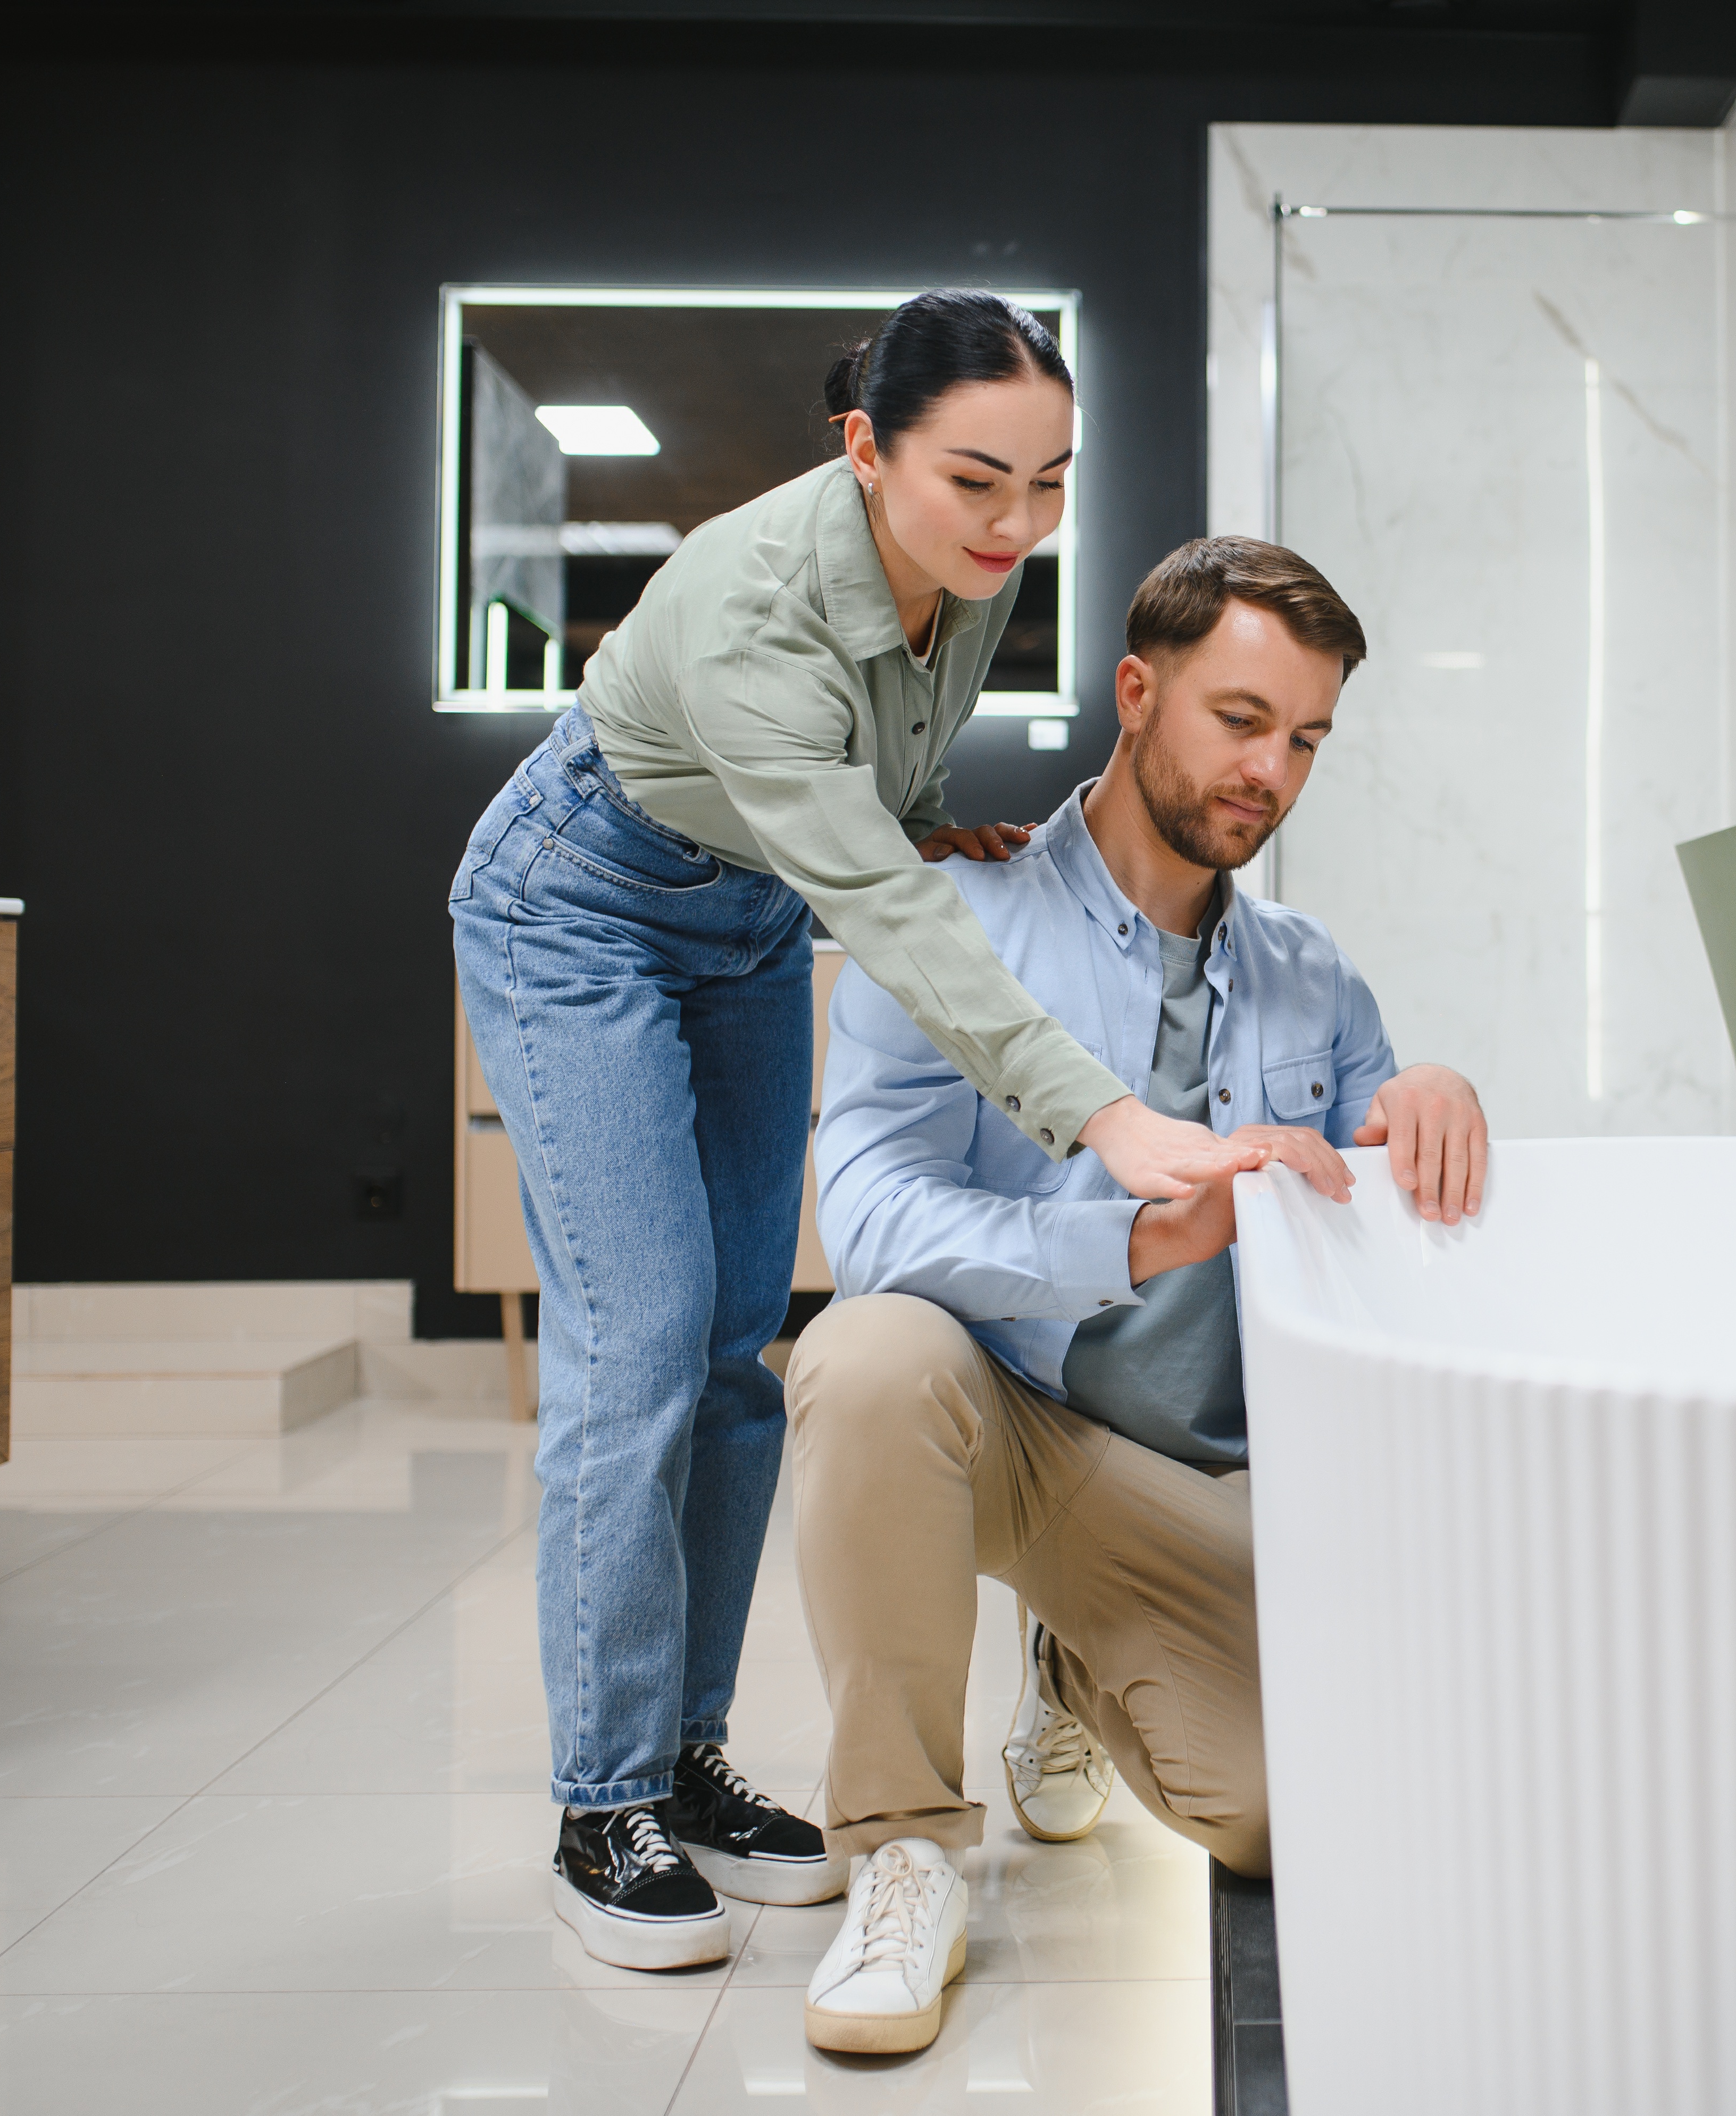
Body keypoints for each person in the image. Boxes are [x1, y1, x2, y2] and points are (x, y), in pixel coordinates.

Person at [447, 295, 1323, 1973]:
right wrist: (1102, 1110)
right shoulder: (747, 602)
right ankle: (599, 1800)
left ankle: (687, 1764)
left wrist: (906, 815)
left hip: (748, 907)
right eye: (976, 480)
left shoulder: (969, 576)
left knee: (726, 1348)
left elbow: (854, 811)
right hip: (584, 905)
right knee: (632, 1349)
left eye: (1049, 484)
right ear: (866, 448)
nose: (1016, 526)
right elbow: (885, 911)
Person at [781, 536, 1487, 2054]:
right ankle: (902, 1850)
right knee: (868, 1356)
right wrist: (1129, 1243)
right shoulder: (949, 925)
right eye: (1240, 719)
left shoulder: (1314, 977)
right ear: (1136, 689)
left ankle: (1069, 1655)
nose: (1270, 771)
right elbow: (872, 1218)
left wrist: (1425, 1087)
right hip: (999, 1423)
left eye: (1304, 738)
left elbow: (1373, 1183)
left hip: (1189, 1496)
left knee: (1279, 1819)